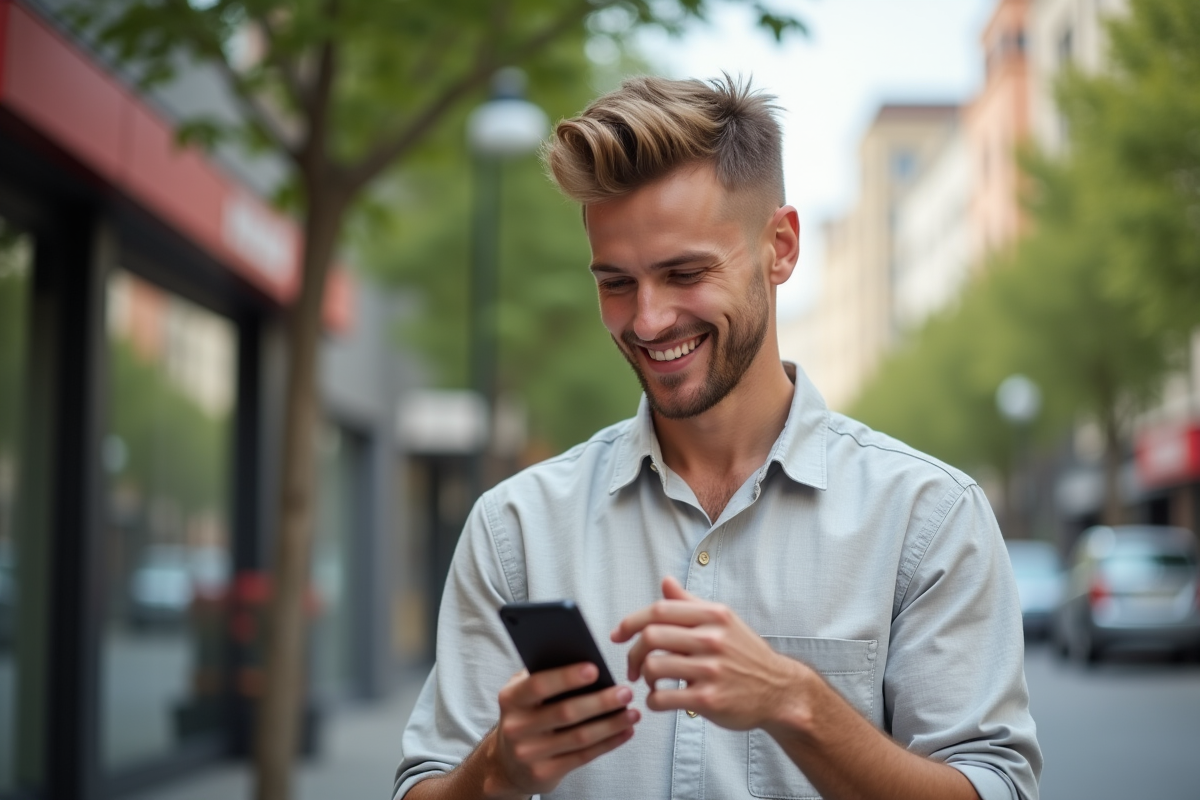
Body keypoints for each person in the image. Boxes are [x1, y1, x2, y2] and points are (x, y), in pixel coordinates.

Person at [394, 76, 1041, 800]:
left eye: (685, 273)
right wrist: (496, 772)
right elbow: (425, 785)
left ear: (782, 248)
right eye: (616, 282)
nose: (647, 320)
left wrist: (798, 703)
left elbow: (994, 789)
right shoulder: (515, 526)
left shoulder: (928, 516)